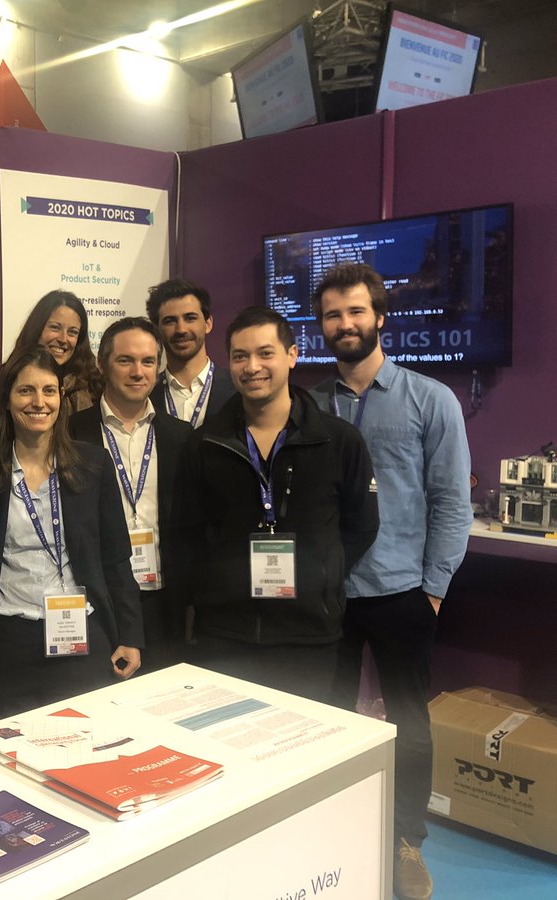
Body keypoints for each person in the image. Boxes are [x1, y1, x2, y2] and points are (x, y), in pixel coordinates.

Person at [309, 263, 471, 900]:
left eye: (355, 311)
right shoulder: (309, 405)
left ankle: (406, 839)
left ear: (379, 317)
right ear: (321, 327)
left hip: (404, 591)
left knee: (409, 721)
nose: (344, 324)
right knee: (324, 718)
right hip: (328, 594)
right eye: (332, 315)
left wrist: (434, 588)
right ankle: (330, 826)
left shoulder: (431, 400)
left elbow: (452, 502)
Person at [185, 306, 379, 702]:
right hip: (225, 633)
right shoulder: (204, 444)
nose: (252, 366)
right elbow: (187, 531)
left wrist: (320, 572)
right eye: (240, 356)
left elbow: (362, 525)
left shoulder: (339, 441)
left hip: (309, 634)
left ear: (292, 355)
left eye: (265, 353)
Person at [0, 347, 144, 730]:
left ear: (60, 398)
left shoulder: (92, 465)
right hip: (3, 641)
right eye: (26, 391)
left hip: (80, 638)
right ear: (7, 400)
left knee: (83, 748)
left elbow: (117, 558)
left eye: (49, 391)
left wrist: (130, 634)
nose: (39, 402)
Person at [69, 317, 194, 668]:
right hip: (99, 599)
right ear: (102, 363)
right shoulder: (71, 434)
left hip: (164, 600)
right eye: (125, 360)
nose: (138, 372)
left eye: (148, 361)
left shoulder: (180, 436)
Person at [147, 279, 235, 428]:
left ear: (208, 323)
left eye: (190, 318)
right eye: (170, 321)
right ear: (157, 329)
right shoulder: (146, 394)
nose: (181, 329)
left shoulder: (237, 389)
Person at [5, 290, 102, 413]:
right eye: (55, 328)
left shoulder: (94, 385)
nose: (63, 339)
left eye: (72, 332)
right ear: (36, 328)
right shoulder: (10, 377)